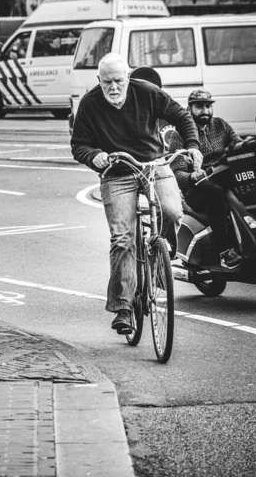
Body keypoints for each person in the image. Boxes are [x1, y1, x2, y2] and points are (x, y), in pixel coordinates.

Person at [70, 53, 202, 335]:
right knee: (123, 238)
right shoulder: (90, 104)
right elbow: (78, 145)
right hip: (117, 173)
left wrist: (192, 145)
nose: (113, 87)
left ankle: (160, 262)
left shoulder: (147, 92)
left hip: (154, 165)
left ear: (128, 78)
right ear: (99, 81)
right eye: (107, 82)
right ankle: (123, 307)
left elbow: (182, 116)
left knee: (172, 211)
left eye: (118, 80)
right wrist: (95, 156)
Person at [169, 89, 242, 269]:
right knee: (215, 193)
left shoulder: (221, 126)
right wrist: (193, 175)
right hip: (196, 189)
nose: (205, 111)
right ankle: (225, 251)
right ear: (189, 108)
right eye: (199, 106)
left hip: (222, 176)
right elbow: (176, 172)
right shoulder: (180, 134)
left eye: (208, 106)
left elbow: (237, 146)